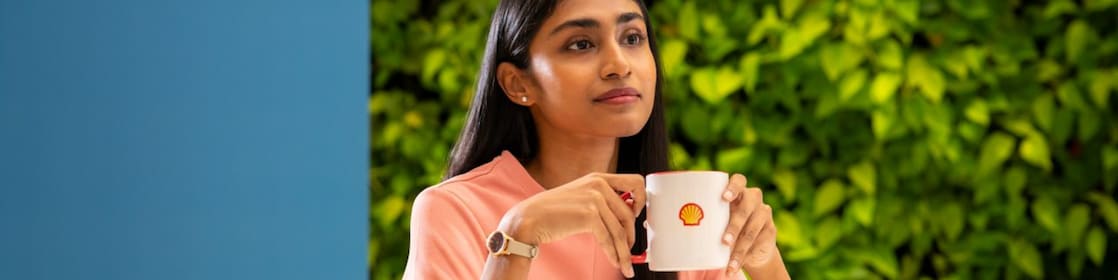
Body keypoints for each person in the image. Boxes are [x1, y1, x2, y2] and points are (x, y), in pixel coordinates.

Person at [402, 0, 790, 279]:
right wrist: (519, 234)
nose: (619, 64)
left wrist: (763, 261)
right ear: (517, 83)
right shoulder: (456, 210)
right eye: (581, 44)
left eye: (633, 38)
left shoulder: (684, 212)